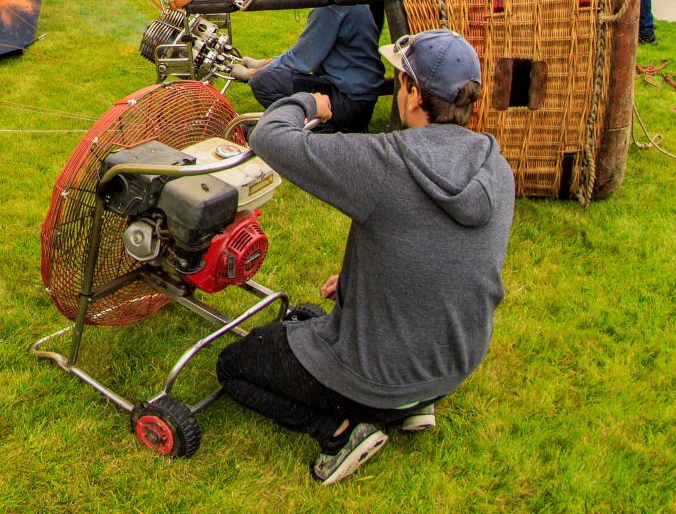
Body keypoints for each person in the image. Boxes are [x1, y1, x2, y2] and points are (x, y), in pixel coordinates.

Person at [217, 29, 513, 488]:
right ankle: (416, 405)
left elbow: (271, 139)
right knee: (306, 317)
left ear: (413, 94)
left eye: (400, 79)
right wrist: (364, 276)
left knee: (236, 364)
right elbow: (446, 259)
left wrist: (310, 103)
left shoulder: (386, 161)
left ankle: (339, 431)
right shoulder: (497, 166)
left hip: (379, 378)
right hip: (455, 364)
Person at [226, 0, 383, 133]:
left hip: (349, 100)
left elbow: (300, 60)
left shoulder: (334, 2)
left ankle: (317, 132)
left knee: (264, 82)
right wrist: (265, 62)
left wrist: (253, 73)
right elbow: (309, 53)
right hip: (357, 93)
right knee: (271, 75)